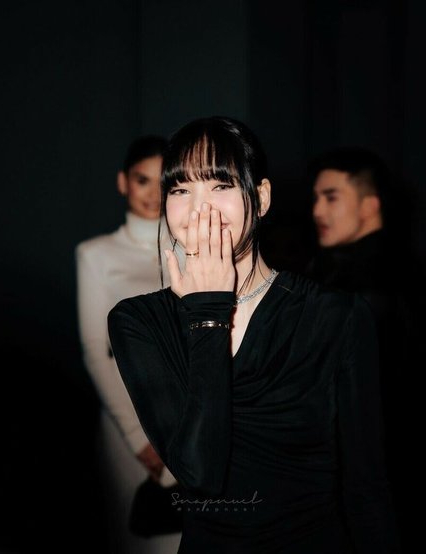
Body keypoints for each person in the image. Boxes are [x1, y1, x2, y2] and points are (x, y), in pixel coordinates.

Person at [107, 117, 400, 553]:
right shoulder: (138, 320)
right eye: (181, 190)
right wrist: (207, 312)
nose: (200, 209)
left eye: (220, 185)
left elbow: (367, 489)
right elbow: (200, 475)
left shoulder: (333, 316)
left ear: (261, 198)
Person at [303, 147, 426, 551]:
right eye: (316, 198)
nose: (317, 210)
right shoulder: (381, 269)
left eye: (331, 197)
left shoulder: (372, 281)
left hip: (380, 477)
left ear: (369, 205)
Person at [76, 135, 182, 554]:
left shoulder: (191, 248)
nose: (153, 193)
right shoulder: (96, 254)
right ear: (123, 182)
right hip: (130, 423)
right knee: (143, 540)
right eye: (142, 180)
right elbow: (94, 351)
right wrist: (139, 439)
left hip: (189, 419)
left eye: (163, 182)